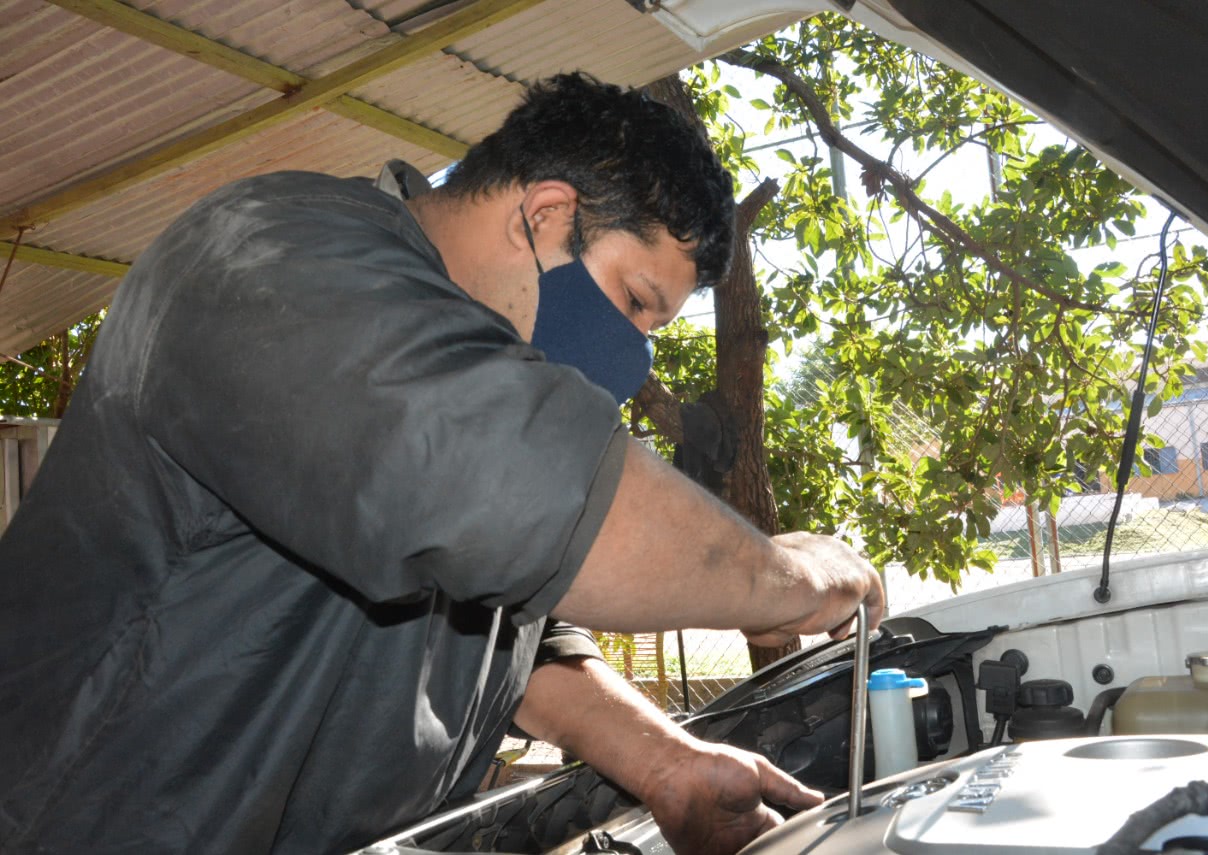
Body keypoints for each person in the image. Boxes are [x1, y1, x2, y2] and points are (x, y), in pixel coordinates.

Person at [0, 73, 883, 854]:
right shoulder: (275, 256)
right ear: (545, 215)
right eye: (632, 302)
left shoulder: (480, 371)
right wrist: (796, 577)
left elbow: (518, 641)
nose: (632, 358)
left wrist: (669, 762)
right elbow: (509, 489)